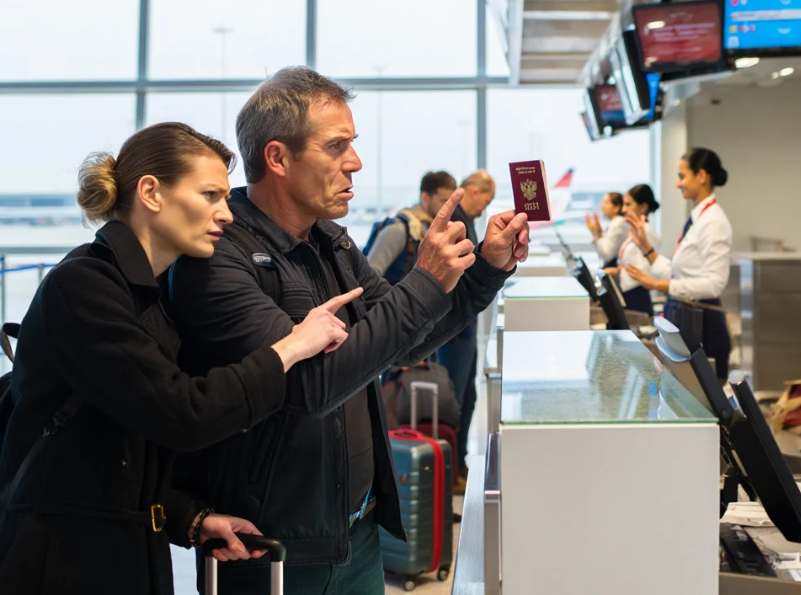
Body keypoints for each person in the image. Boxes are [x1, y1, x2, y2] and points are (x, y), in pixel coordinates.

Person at [164, 67, 529, 595]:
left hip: (356, 532)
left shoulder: (331, 241)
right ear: (277, 158)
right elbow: (310, 386)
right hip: (269, 550)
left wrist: (486, 271)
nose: (354, 162)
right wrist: (424, 280)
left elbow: (405, 344)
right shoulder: (218, 257)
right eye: (336, 147)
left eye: (352, 144)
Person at [0, 123, 355, 595]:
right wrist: (291, 346)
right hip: (62, 561)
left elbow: (118, 450)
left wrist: (191, 518)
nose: (225, 213)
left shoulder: (143, 296)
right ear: (151, 193)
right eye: (209, 195)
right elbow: (183, 414)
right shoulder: (83, 286)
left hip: (124, 553)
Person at [626, 148, 733, 378]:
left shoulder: (714, 222)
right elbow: (679, 274)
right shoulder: (698, 218)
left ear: (701, 176)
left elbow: (713, 285)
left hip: (703, 328)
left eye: (682, 176)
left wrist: (657, 285)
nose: (677, 184)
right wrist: (646, 248)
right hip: (686, 322)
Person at [437, 170, 496, 493]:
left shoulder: (466, 219)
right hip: (454, 327)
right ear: (473, 191)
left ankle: (458, 464)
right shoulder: (456, 221)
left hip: (464, 325)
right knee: (455, 399)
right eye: (485, 200)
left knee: (468, 396)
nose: (484, 208)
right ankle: (448, 473)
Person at [365, 171, 456, 284]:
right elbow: (370, 279)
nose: (450, 207)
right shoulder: (399, 230)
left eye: (453, 202)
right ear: (425, 198)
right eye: (444, 201)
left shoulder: (429, 229)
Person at [602, 184, 660, 316]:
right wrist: (618, 270)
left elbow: (648, 268)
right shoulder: (634, 231)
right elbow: (635, 263)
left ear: (643, 207)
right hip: (628, 293)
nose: (623, 209)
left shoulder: (647, 232)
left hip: (637, 295)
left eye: (628, 205)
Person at [585, 192, 627, 267]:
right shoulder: (615, 223)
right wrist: (599, 232)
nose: (601, 207)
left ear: (616, 207)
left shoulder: (618, 224)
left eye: (606, 203)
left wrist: (595, 234)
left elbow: (606, 256)